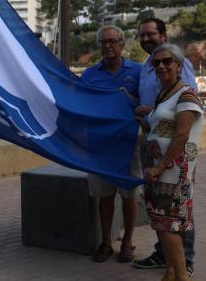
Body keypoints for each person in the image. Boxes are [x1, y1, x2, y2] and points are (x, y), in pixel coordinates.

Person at [134, 18, 198, 278]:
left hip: (172, 164)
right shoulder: (144, 67)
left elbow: (184, 127)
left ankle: (185, 263)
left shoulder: (183, 86)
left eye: (151, 34)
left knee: (176, 218)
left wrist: (161, 164)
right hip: (154, 155)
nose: (161, 66)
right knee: (161, 216)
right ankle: (168, 263)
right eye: (142, 35)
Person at [81, 26, 142, 263]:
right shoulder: (89, 74)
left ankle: (127, 242)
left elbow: (147, 101)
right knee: (104, 196)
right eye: (103, 42)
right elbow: (81, 104)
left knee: (130, 196)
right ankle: (106, 242)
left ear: (122, 44)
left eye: (112, 41)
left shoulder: (138, 71)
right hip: (100, 146)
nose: (107, 45)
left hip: (129, 144)